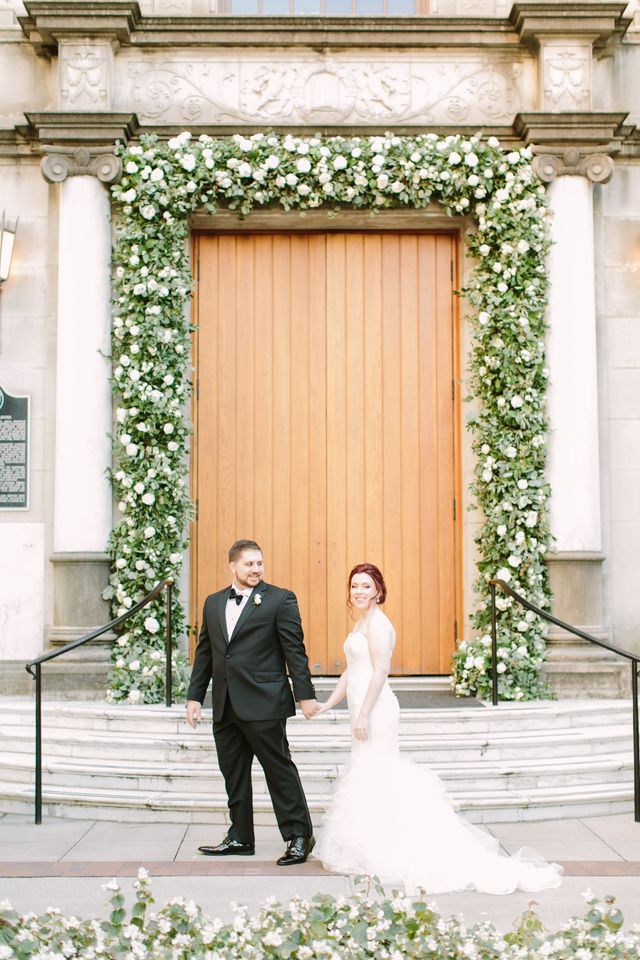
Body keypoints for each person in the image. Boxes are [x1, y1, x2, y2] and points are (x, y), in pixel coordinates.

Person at [313, 562, 563, 894]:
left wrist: (363, 715)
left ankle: (388, 848)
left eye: (366, 586)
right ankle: (367, 844)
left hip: (377, 711)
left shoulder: (378, 625)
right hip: (360, 709)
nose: (359, 591)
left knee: (377, 773)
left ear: (378, 591)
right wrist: (329, 704)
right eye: (354, 585)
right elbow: (352, 671)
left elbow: (380, 672)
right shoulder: (361, 624)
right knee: (365, 773)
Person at [186, 539, 319, 865]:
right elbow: (206, 653)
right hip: (226, 703)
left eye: (259, 563)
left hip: (264, 702)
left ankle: (299, 835)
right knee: (233, 773)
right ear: (233, 566)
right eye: (249, 564)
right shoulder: (213, 602)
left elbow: (294, 651)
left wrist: (305, 695)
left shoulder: (280, 599)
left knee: (279, 771)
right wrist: (194, 697)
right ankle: (240, 836)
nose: (256, 569)